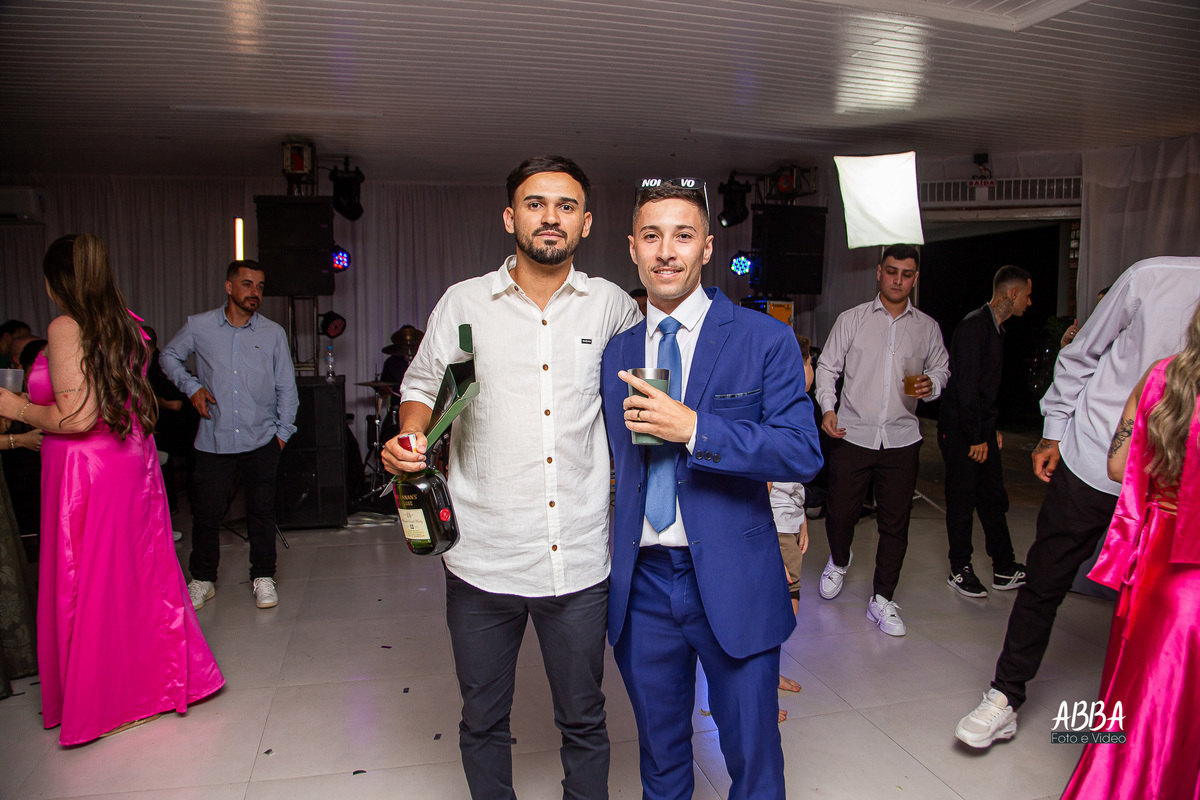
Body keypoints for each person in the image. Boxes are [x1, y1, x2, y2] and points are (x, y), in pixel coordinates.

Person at [383, 155, 639, 800]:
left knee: (585, 718)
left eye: (565, 206)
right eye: (535, 203)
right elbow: (423, 383)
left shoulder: (612, 306)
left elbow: (646, 393)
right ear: (509, 217)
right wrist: (411, 435)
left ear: (585, 223)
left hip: (576, 557)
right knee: (482, 719)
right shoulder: (464, 302)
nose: (550, 217)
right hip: (483, 555)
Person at [602, 180, 822, 800]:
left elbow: (801, 451)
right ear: (633, 249)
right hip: (643, 584)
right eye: (652, 236)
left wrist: (696, 429)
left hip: (734, 576)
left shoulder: (763, 338)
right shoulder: (617, 352)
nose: (666, 251)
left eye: (683, 235)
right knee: (660, 756)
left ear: (706, 247)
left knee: (753, 757)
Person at [955, 255, 1200, 748]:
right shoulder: (1152, 278)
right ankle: (1005, 695)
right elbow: (1081, 353)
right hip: (1098, 452)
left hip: (1178, 483)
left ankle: (1149, 721)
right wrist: (1055, 431)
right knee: (1047, 576)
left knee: (1164, 603)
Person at [0, 234, 223, 744]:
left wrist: (15, 408)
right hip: (129, 461)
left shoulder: (66, 326)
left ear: (57, 280)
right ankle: (153, 684)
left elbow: (77, 418)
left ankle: (108, 698)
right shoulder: (129, 324)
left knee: (92, 579)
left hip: (87, 469)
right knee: (135, 575)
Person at [1061, 298, 1200, 799]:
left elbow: (1119, 467)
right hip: (1189, 571)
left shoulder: (1163, 376)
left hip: (1158, 562)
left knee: (1140, 694)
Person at [814, 244, 949, 636]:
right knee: (840, 513)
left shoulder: (926, 327)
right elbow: (827, 367)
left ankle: (883, 599)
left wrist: (932, 384)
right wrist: (828, 408)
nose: (898, 280)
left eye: (906, 274)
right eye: (892, 271)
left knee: (896, 523)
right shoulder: (852, 319)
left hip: (902, 438)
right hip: (851, 433)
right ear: (879, 272)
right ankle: (840, 560)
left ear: (915, 278)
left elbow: (941, 368)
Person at [160, 260, 298, 611]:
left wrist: (282, 434)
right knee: (206, 514)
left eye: (260, 286)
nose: (255, 292)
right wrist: (191, 387)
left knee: (262, 512)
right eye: (248, 284)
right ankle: (203, 579)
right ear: (229, 287)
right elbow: (169, 357)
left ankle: (263, 576)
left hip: (262, 438)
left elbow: (286, 386)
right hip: (214, 439)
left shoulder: (272, 333)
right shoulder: (199, 326)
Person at [938, 266, 1033, 597]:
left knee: (993, 499)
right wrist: (977, 436)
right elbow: (966, 388)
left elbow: (985, 388)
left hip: (981, 428)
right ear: (1012, 293)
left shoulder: (995, 329)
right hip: (962, 431)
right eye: (1027, 295)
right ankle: (959, 568)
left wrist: (991, 429)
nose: (1029, 302)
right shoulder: (974, 327)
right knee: (962, 500)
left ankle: (1004, 567)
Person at [770, 332, 815, 721]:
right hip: (772, 530)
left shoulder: (797, 409)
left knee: (785, 612)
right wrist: (769, 549)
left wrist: (801, 520)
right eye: (809, 362)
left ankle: (768, 675)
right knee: (775, 612)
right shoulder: (774, 412)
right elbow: (761, 486)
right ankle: (759, 693)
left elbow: (792, 478)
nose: (812, 371)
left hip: (788, 522)